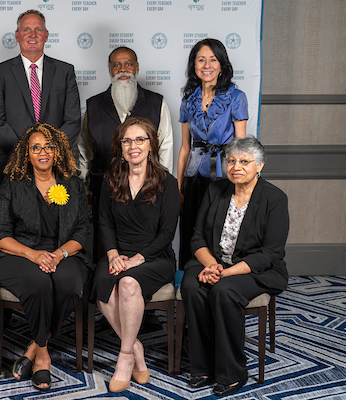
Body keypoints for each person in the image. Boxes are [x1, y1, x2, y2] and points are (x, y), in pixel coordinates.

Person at [181, 137, 289, 397]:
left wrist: (225, 272)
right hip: (213, 261)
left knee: (224, 291)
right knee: (192, 286)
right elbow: (197, 237)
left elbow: (270, 253)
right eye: (231, 161)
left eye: (244, 161)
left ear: (259, 166)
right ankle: (202, 367)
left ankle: (232, 372)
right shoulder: (215, 190)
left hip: (256, 270)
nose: (236, 167)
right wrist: (212, 265)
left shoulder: (275, 198)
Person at [0, 123, 91, 391]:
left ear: (58, 151)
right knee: (38, 285)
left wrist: (58, 254)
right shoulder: (12, 185)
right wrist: (33, 255)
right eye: (36, 148)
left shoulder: (74, 184)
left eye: (49, 146)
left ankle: (33, 346)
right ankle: (43, 357)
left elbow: (83, 231)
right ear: (27, 153)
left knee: (70, 285)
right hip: (20, 253)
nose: (43, 152)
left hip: (63, 252)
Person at [90, 117, 180, 393]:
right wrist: (114, 253)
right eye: (127, 140)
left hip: (155, 257)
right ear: (120, 146)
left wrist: (138, 258)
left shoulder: (168, 182)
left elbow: (167, 233)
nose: (133, 146)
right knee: (102, 283)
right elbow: (103, 221)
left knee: (128, 284)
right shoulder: (111, 179)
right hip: (119, 253)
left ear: (151, 144)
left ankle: (125, 358)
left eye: (140, 139)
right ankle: (136, 348)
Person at [77, 46, 173, 262]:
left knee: (144, 250)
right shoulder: (93, 105)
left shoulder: (157, 102)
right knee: (105, 251)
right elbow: (84, 150)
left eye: (128, 63)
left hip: (147, 190)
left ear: (137, 68)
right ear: (109, 69)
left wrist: (162, 184)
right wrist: (83, 187)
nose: (123, 69)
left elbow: (165, 145)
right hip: (104, 191)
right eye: (116, 65)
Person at [0, 9, 81, 191]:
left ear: (46, 35)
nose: (32, 35)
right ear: (17, 35)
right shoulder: (0, 72)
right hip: (10, 165)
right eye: (26, 30)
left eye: (38, 30)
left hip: (56, 167)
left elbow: (73, 120)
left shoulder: (65, 71)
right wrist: (26, 152)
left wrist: (49, 152)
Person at [177, 38, 248, 270]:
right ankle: (189, 279)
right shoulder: (188, 100)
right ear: (194, 65)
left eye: (213, 59)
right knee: (191, 227)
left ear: (221, 65)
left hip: (224, 174)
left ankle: (220, 276)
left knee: (219, 228)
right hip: (195, 174)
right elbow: (185, 148)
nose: (207, 65)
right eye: (201, 60)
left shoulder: (236, 97)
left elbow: (240, 145)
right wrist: (179, 188)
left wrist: (241, 183)